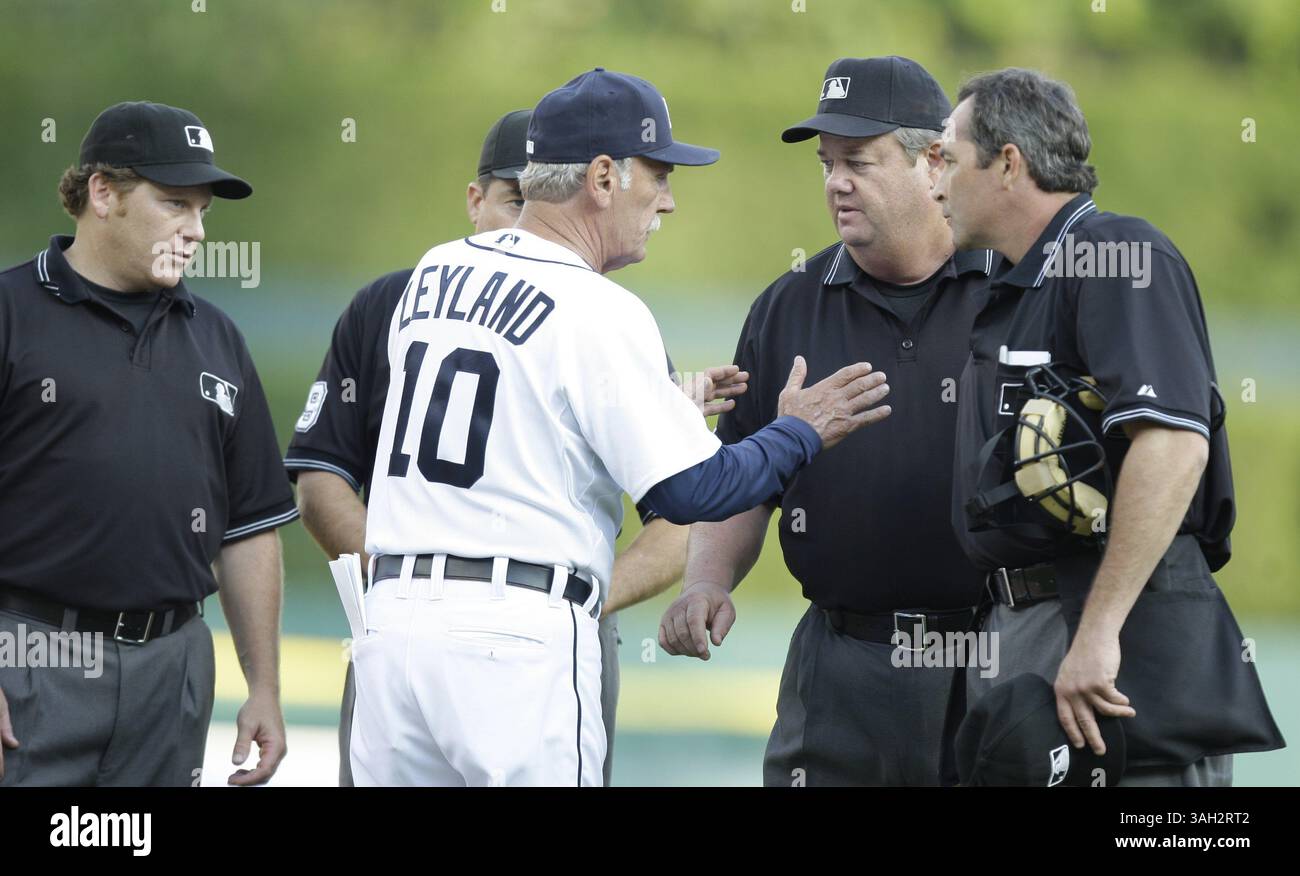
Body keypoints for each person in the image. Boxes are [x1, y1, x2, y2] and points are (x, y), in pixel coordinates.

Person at [348, 67, 891, 786]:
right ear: (603, 177)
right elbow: (694, 492)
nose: (667, 201)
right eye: (659, 175)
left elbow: (516, 414)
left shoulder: (433, 271)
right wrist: (797, 431)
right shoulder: (598, 306)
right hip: (511, 645)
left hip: (390, 627)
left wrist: (660, 406)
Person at [286, 108, 745, 786]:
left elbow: (674, 521)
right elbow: (320, 480)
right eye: (514, 197)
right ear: (477, 201)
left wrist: (572, 597)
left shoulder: (591, 313)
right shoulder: (401, 300)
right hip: (448, 625)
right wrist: (423, 578)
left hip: (515, 625)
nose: (531, 212)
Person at [933, 68, 1283, 785]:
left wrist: (1097, 632)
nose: (931, 176)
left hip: (1114, 635)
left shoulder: (1117, 254)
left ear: (1008, 164)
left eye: (945, 155)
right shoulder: (1011, 281)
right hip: (1029, 627)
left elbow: (1173, 442)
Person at [658, 56, 997, 786]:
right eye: (826, 163)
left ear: (932, 161)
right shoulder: (788, 305)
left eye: (859, 162)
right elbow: (746, 474)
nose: (835, 181)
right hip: (841, 666)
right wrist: (706, 582)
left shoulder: (1015, 287)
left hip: (992, 656)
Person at [0, 101, 297, 786]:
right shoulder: (13, 314)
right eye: (174, 205)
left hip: (174, 670)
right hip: (30, 658)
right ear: (102, 193)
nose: (194, 231)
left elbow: (248, 529)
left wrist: (265, 686)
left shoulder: (218, 337)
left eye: (203, 213)